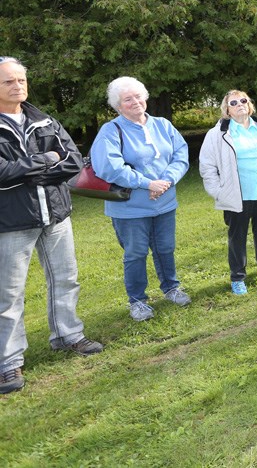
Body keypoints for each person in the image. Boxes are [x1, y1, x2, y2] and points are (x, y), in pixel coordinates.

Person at [0, 57, 103, 395]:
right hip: (11, 221)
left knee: (65, 278)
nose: (18, 86)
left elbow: (72, 160)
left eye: (20, 80)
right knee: (8, 294)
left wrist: (29, 169)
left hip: (55, 214)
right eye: (9, 82)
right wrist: (45, 161)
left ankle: (68, 335)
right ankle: (8, 362)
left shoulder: (43, 119)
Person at [91, 77, 190, 322]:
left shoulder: (163, 125)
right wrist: (147, 183)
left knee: (165, 248)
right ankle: (137, 301)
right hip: (130, 208)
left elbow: (181, 154)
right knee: (135, 254)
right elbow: (109, 168)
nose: (135, 102)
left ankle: (171, 288)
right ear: (117, 105)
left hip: (165, 202)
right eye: (127, 99)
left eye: (138, 96)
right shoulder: (110, 131)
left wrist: (166, 180)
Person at [199, 90, 257, 295]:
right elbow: (207, 165)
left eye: (243, 100)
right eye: (233, 102)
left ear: (250, 105)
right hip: (236, 194)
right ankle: (238, 276)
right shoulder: (218, 133)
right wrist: (217, 192)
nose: (239, 104)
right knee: (237, 236)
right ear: (227, 110)